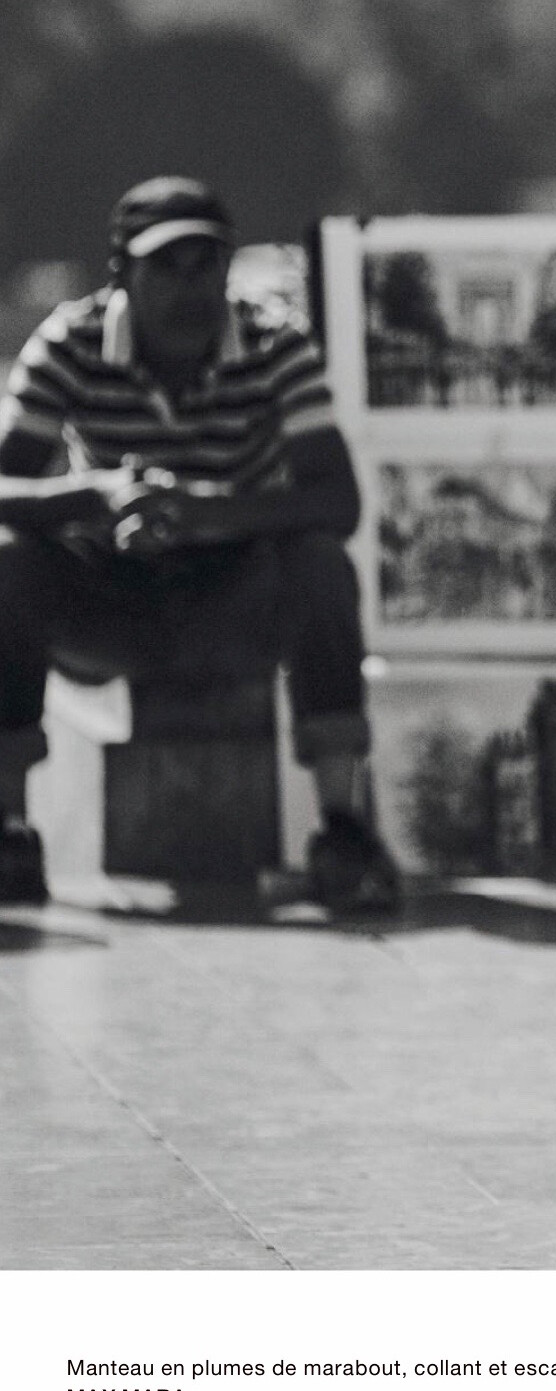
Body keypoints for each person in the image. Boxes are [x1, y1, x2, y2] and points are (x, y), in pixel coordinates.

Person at [0, 176, 400, 915]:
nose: (189, 290)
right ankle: (9, 829)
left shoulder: (276, 343)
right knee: (6, 561)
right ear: (121, 274)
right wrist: (97, 496)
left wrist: (210, 514)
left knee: (320, 564)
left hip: (231, 597)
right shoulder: (70, 342)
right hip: (108, 600)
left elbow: (337, 502)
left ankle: (343, 830)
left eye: (205, 265)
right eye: (166, 267)